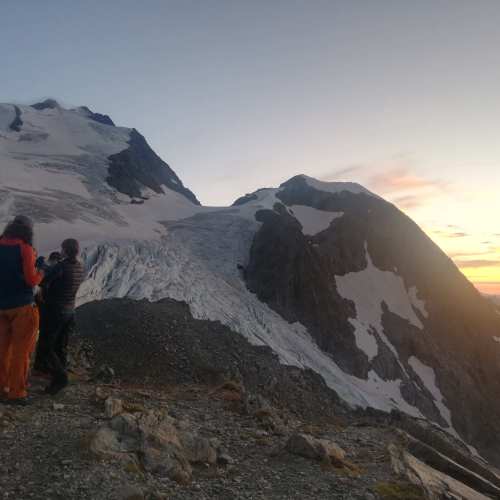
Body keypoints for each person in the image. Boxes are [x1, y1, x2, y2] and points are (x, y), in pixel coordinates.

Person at [0, 215, 44, 405]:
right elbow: (31, 280)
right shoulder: (25, 249)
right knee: (21, 351)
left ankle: (1, 388)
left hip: (1, 306)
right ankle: (16, 393)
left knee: (2, 350)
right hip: (22, 307)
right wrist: (42, 271)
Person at [40, 238, 84, 395]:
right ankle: (57, 381)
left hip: (56, 311)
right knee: (60, 346)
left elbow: (43, 280)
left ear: (65, 250)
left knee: (46, 346)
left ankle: (60, 377)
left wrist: (42, 266)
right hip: (70, 311)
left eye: (62, 248)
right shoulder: (80, 266)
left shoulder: (61, 266)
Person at [33, 251, 63, 376]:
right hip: (47, 308)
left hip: (36, 305)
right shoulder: (56, 271)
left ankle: (38, 365)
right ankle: (43, 365)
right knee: (46, 338)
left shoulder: (42, 267)